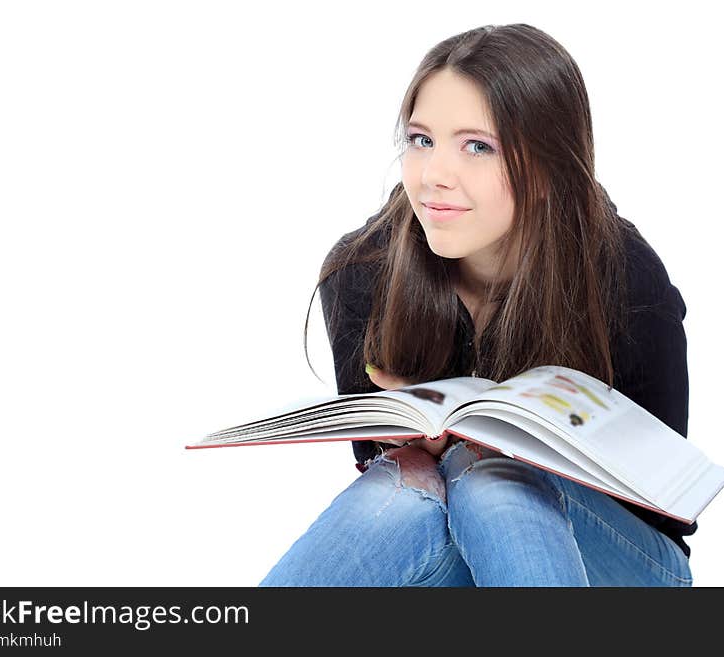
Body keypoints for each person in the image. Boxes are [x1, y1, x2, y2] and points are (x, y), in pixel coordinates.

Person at [259, 23, 696, 587]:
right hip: (454, 549)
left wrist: (524, 459)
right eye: (421, 140)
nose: (435, 175)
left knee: (490, 477)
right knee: (404, 487)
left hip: (621, 561)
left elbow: (666, 502)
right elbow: (385, 474)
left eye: (477, 146)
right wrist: (414, 445)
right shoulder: (361, 274)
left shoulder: (623, 276)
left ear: (546, 169)